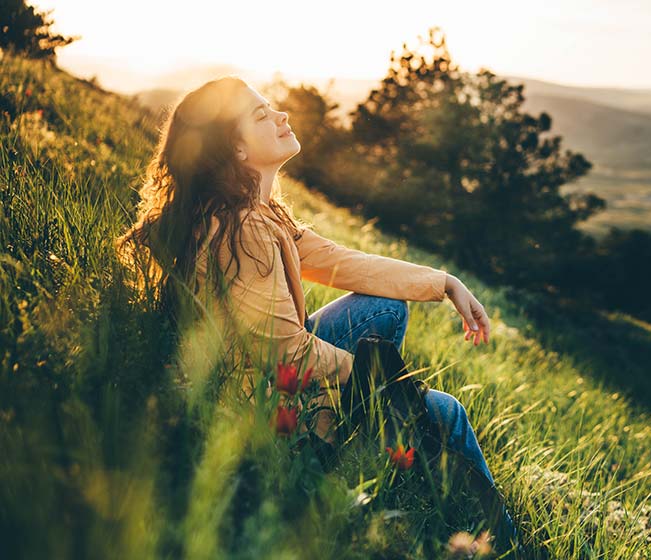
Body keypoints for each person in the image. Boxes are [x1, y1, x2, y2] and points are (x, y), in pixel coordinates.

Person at [116, 76, 520, 553]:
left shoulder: (261, 213)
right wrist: (383, 386)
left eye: (272, 107)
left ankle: (379, 429)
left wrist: (444, 283)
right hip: (267, 412)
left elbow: (344, 262)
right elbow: (283, 350)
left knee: (384, 306)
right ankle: (504, 540)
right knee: (446, 412)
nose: (281, 116)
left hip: (262, 379)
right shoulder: (243, 228)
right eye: (261, 116)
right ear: (237, 152)